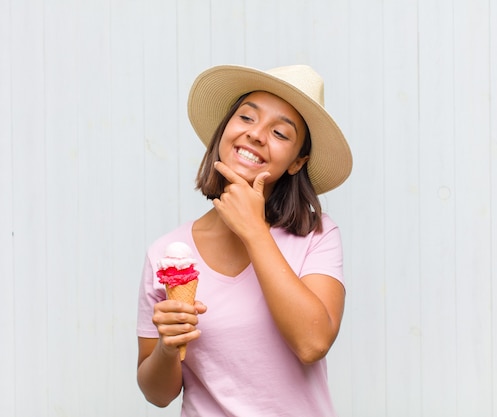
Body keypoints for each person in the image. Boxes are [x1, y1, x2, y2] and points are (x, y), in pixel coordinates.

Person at [136, 64, 353, 417]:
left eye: (281, 133)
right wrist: (166, 346)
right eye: (247, 118)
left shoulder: (317, 235)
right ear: (225, 130)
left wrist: (254, 230)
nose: (256, 135)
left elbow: (313, 343)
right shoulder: (167, 254)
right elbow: (157, 395)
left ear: (298, 162)